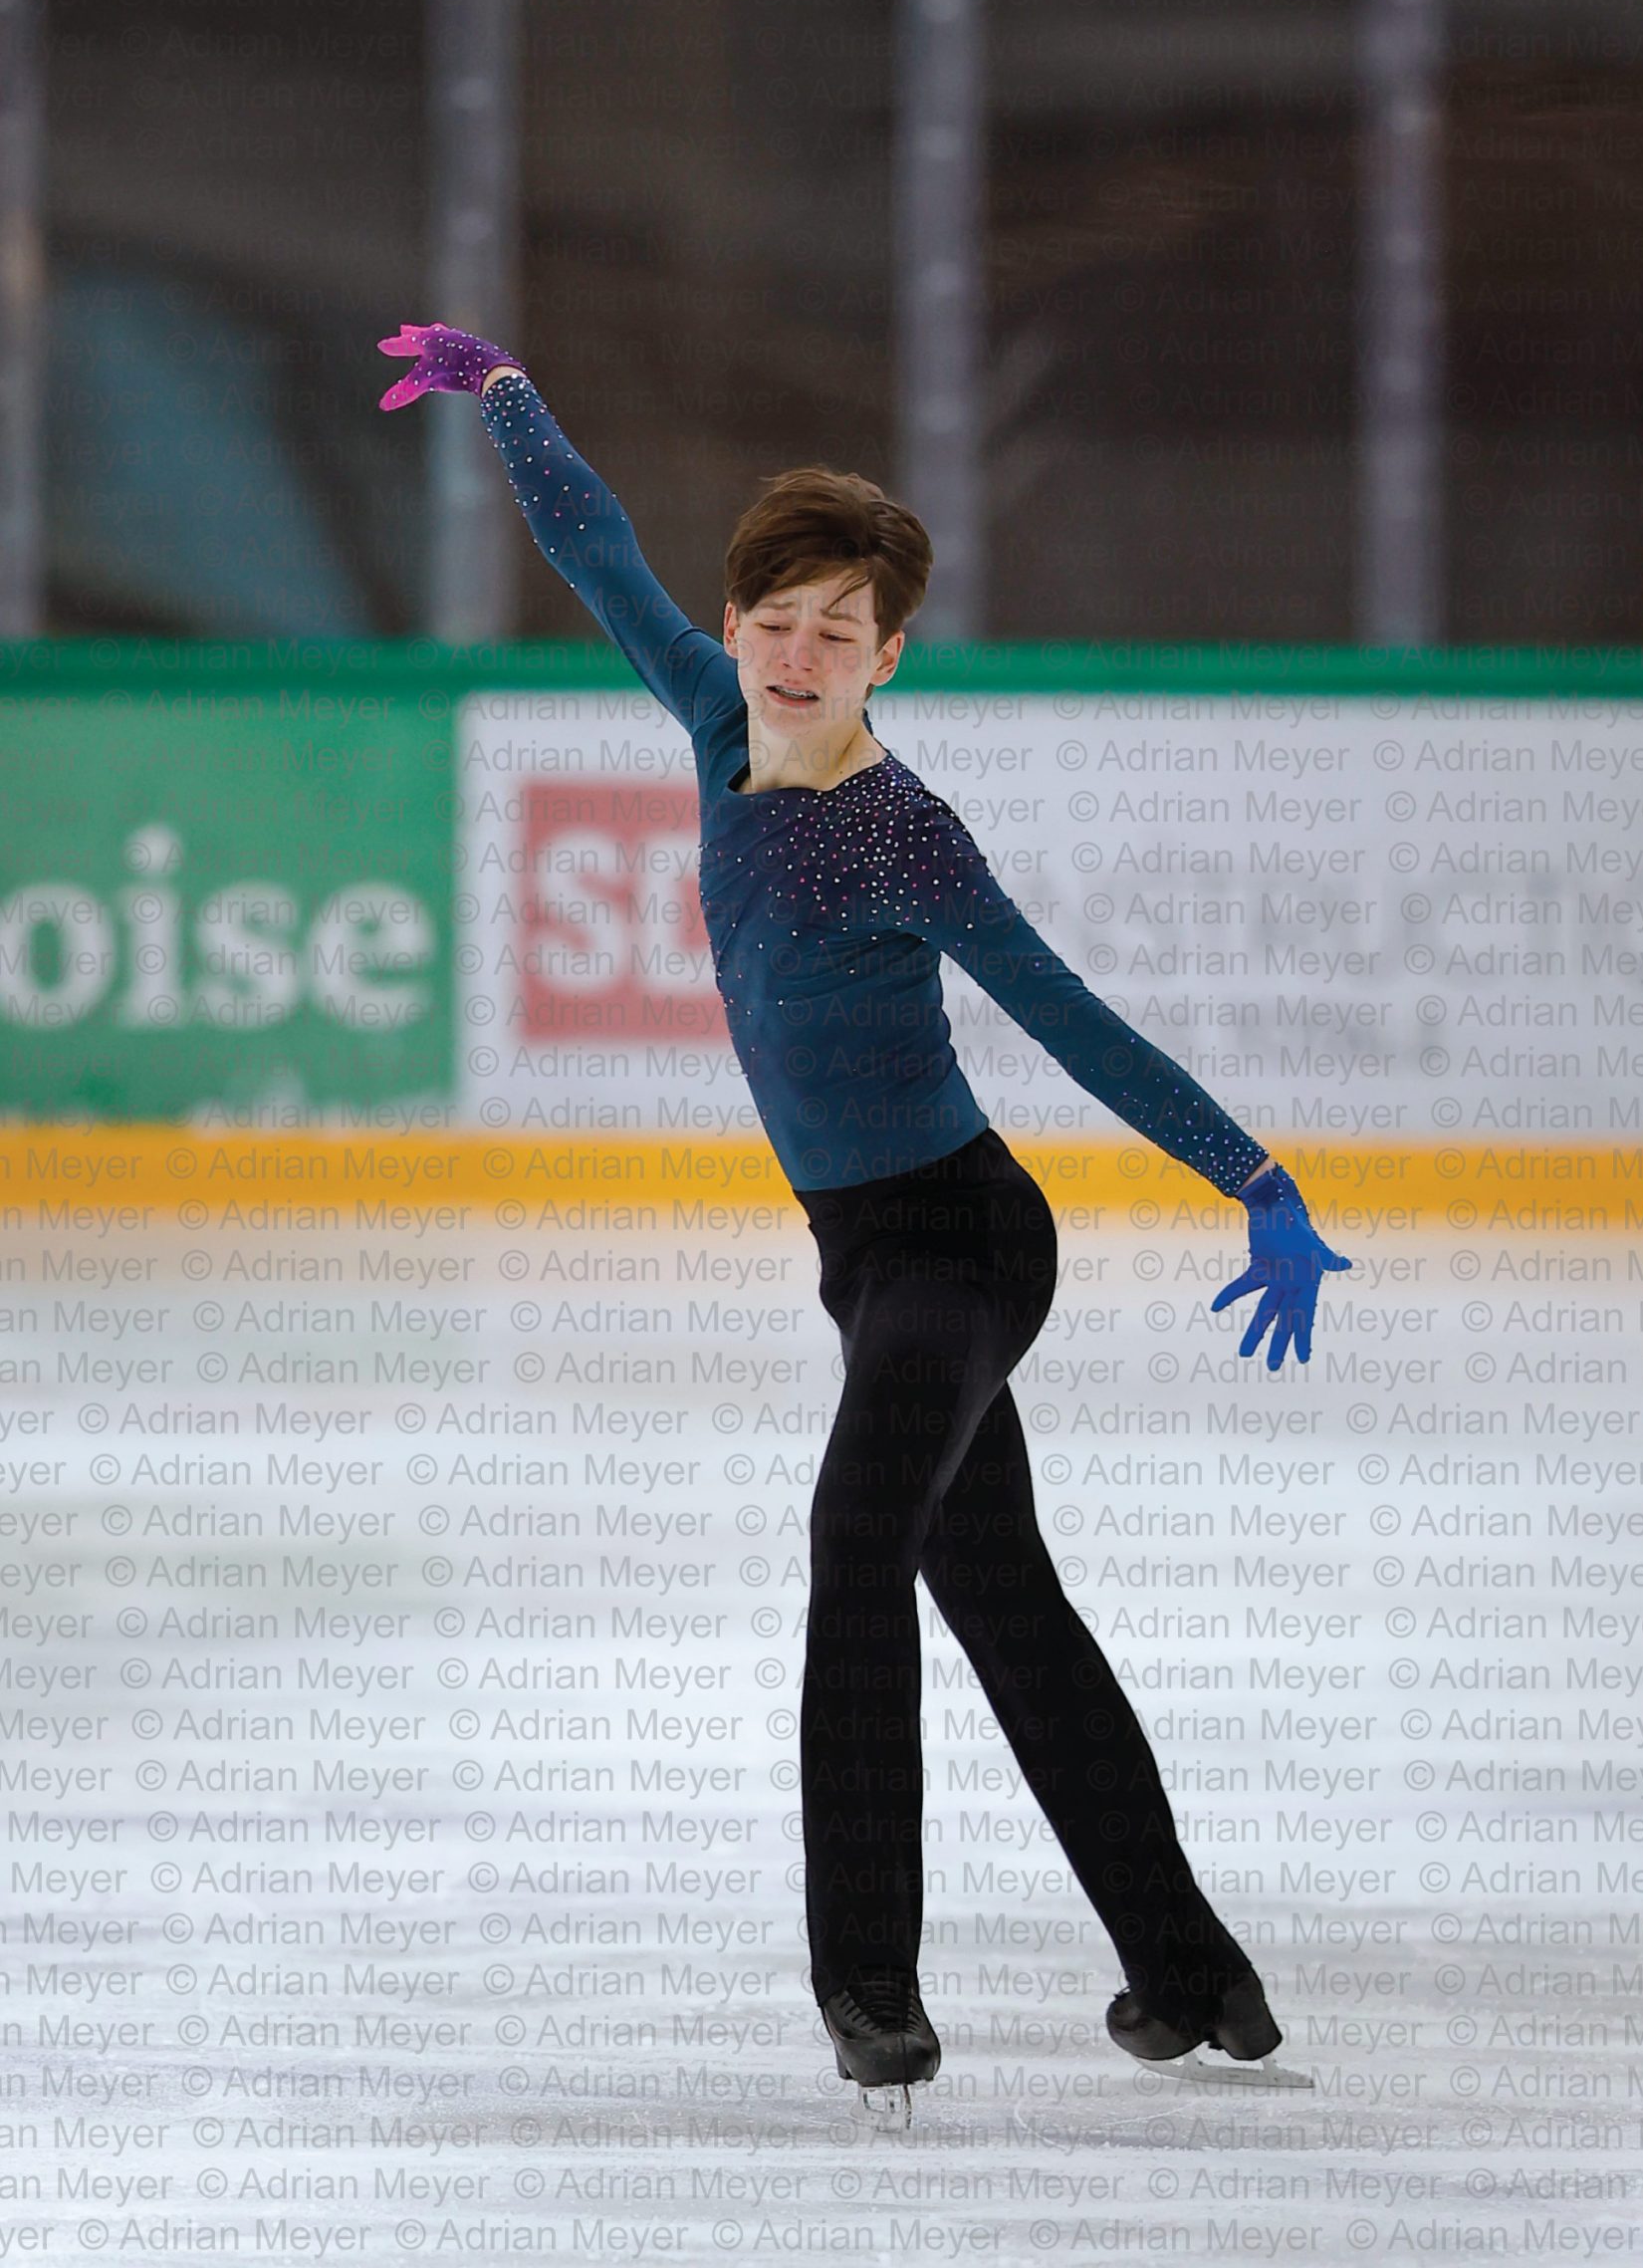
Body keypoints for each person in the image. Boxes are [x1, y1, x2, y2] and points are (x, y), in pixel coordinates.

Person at [379, 323, 1352, 2108]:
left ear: (889, 655)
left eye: (842, 629)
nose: (799, 652)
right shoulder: (711, 719)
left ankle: (871, 1988)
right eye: (778, 618)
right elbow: (598, 552)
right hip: (869, 1261)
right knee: (1009, 1608)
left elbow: (1068, 1013)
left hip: (963, 1248)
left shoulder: (907, 836)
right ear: (739, 627)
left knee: (856, 1543)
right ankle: (1191, 1975)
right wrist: (507, 393)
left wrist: (1258, 1180)